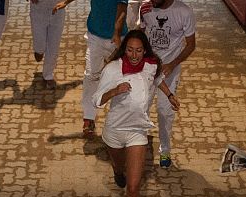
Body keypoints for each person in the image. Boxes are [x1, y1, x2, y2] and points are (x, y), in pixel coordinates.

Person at [93, 29, 177, 197]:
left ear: (145, 50)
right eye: (130, 50)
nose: (134, 55)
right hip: (114, 133)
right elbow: (97, 100)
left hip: (138, 132)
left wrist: (169, 95)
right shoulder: (113, 69)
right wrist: (114, 91)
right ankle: (117, 170)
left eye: (138, 50)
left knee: (133, 188)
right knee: (121, 170)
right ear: (124, 49)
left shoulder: (151, 65)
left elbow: (158, 80)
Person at [54, 0, 128, 137]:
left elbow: (123, 7)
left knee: (120, 79)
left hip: (117, 38)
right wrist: (65, 2)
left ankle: (120, 121)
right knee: (90, 76)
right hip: (95, 36)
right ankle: (89, 118)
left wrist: (117, 32)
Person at [140, 0, 195, 168]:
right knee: (141, 107)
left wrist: (173, 64)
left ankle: (165, 150)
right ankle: (139, 145)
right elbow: (140, 34)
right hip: (147, 69)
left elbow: (191, 44)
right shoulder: (146, 7)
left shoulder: (184, 12)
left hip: (169, 71)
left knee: (165, 112)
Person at [30, 0, 65, 89]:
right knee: (39, 47)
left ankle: (48, 75)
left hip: (58, 11)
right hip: (38, 10)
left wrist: (66, 2)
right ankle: (39, 51)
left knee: (53, 47)